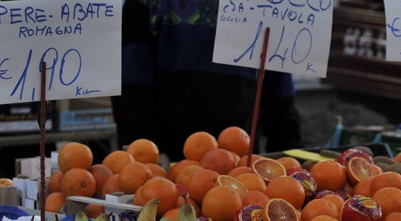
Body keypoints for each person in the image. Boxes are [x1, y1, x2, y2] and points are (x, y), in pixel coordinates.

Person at [111, 0, 303, 161]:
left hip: (243, 170)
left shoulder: (267, 5)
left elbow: (280, 97)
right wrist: (152, 158)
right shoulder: (145, 4)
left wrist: (291, 160)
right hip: (167, 169)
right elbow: (131, 89)